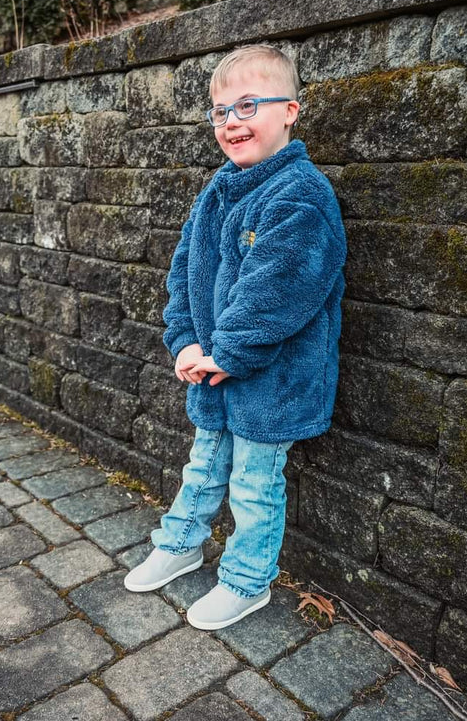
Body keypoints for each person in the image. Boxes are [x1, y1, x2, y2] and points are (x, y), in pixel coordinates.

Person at [124, 43, 347, 631]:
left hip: (271, 381)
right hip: (213, 370)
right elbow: (183, 274)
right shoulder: (218, 190)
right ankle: (181, 544)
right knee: (203, 466)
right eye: (221, 112)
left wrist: (229, 352)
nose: (232, 123)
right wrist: (187, 344)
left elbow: (279, 290)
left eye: (248, 106)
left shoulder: (301, 194)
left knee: (253, 484)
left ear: (291, 110)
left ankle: (248, 580)